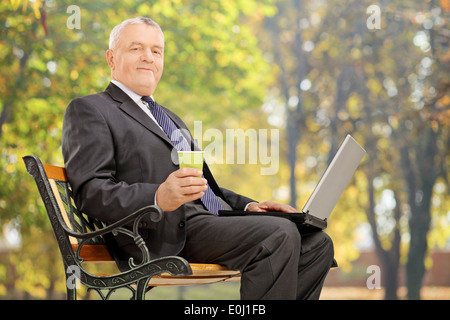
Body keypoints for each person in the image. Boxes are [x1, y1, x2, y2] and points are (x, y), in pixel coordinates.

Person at [62, 17, 335, 300]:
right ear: (111, 58)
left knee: (316, 242)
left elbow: (202, 186)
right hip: (156, 233)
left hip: (203, 222)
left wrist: (250, 207)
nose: (148, 57)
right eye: (136, 48)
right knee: (277, 234)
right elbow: (91, 192)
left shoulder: (168, 118)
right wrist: (158, 196)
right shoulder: (91, 109)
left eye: (157, 51)